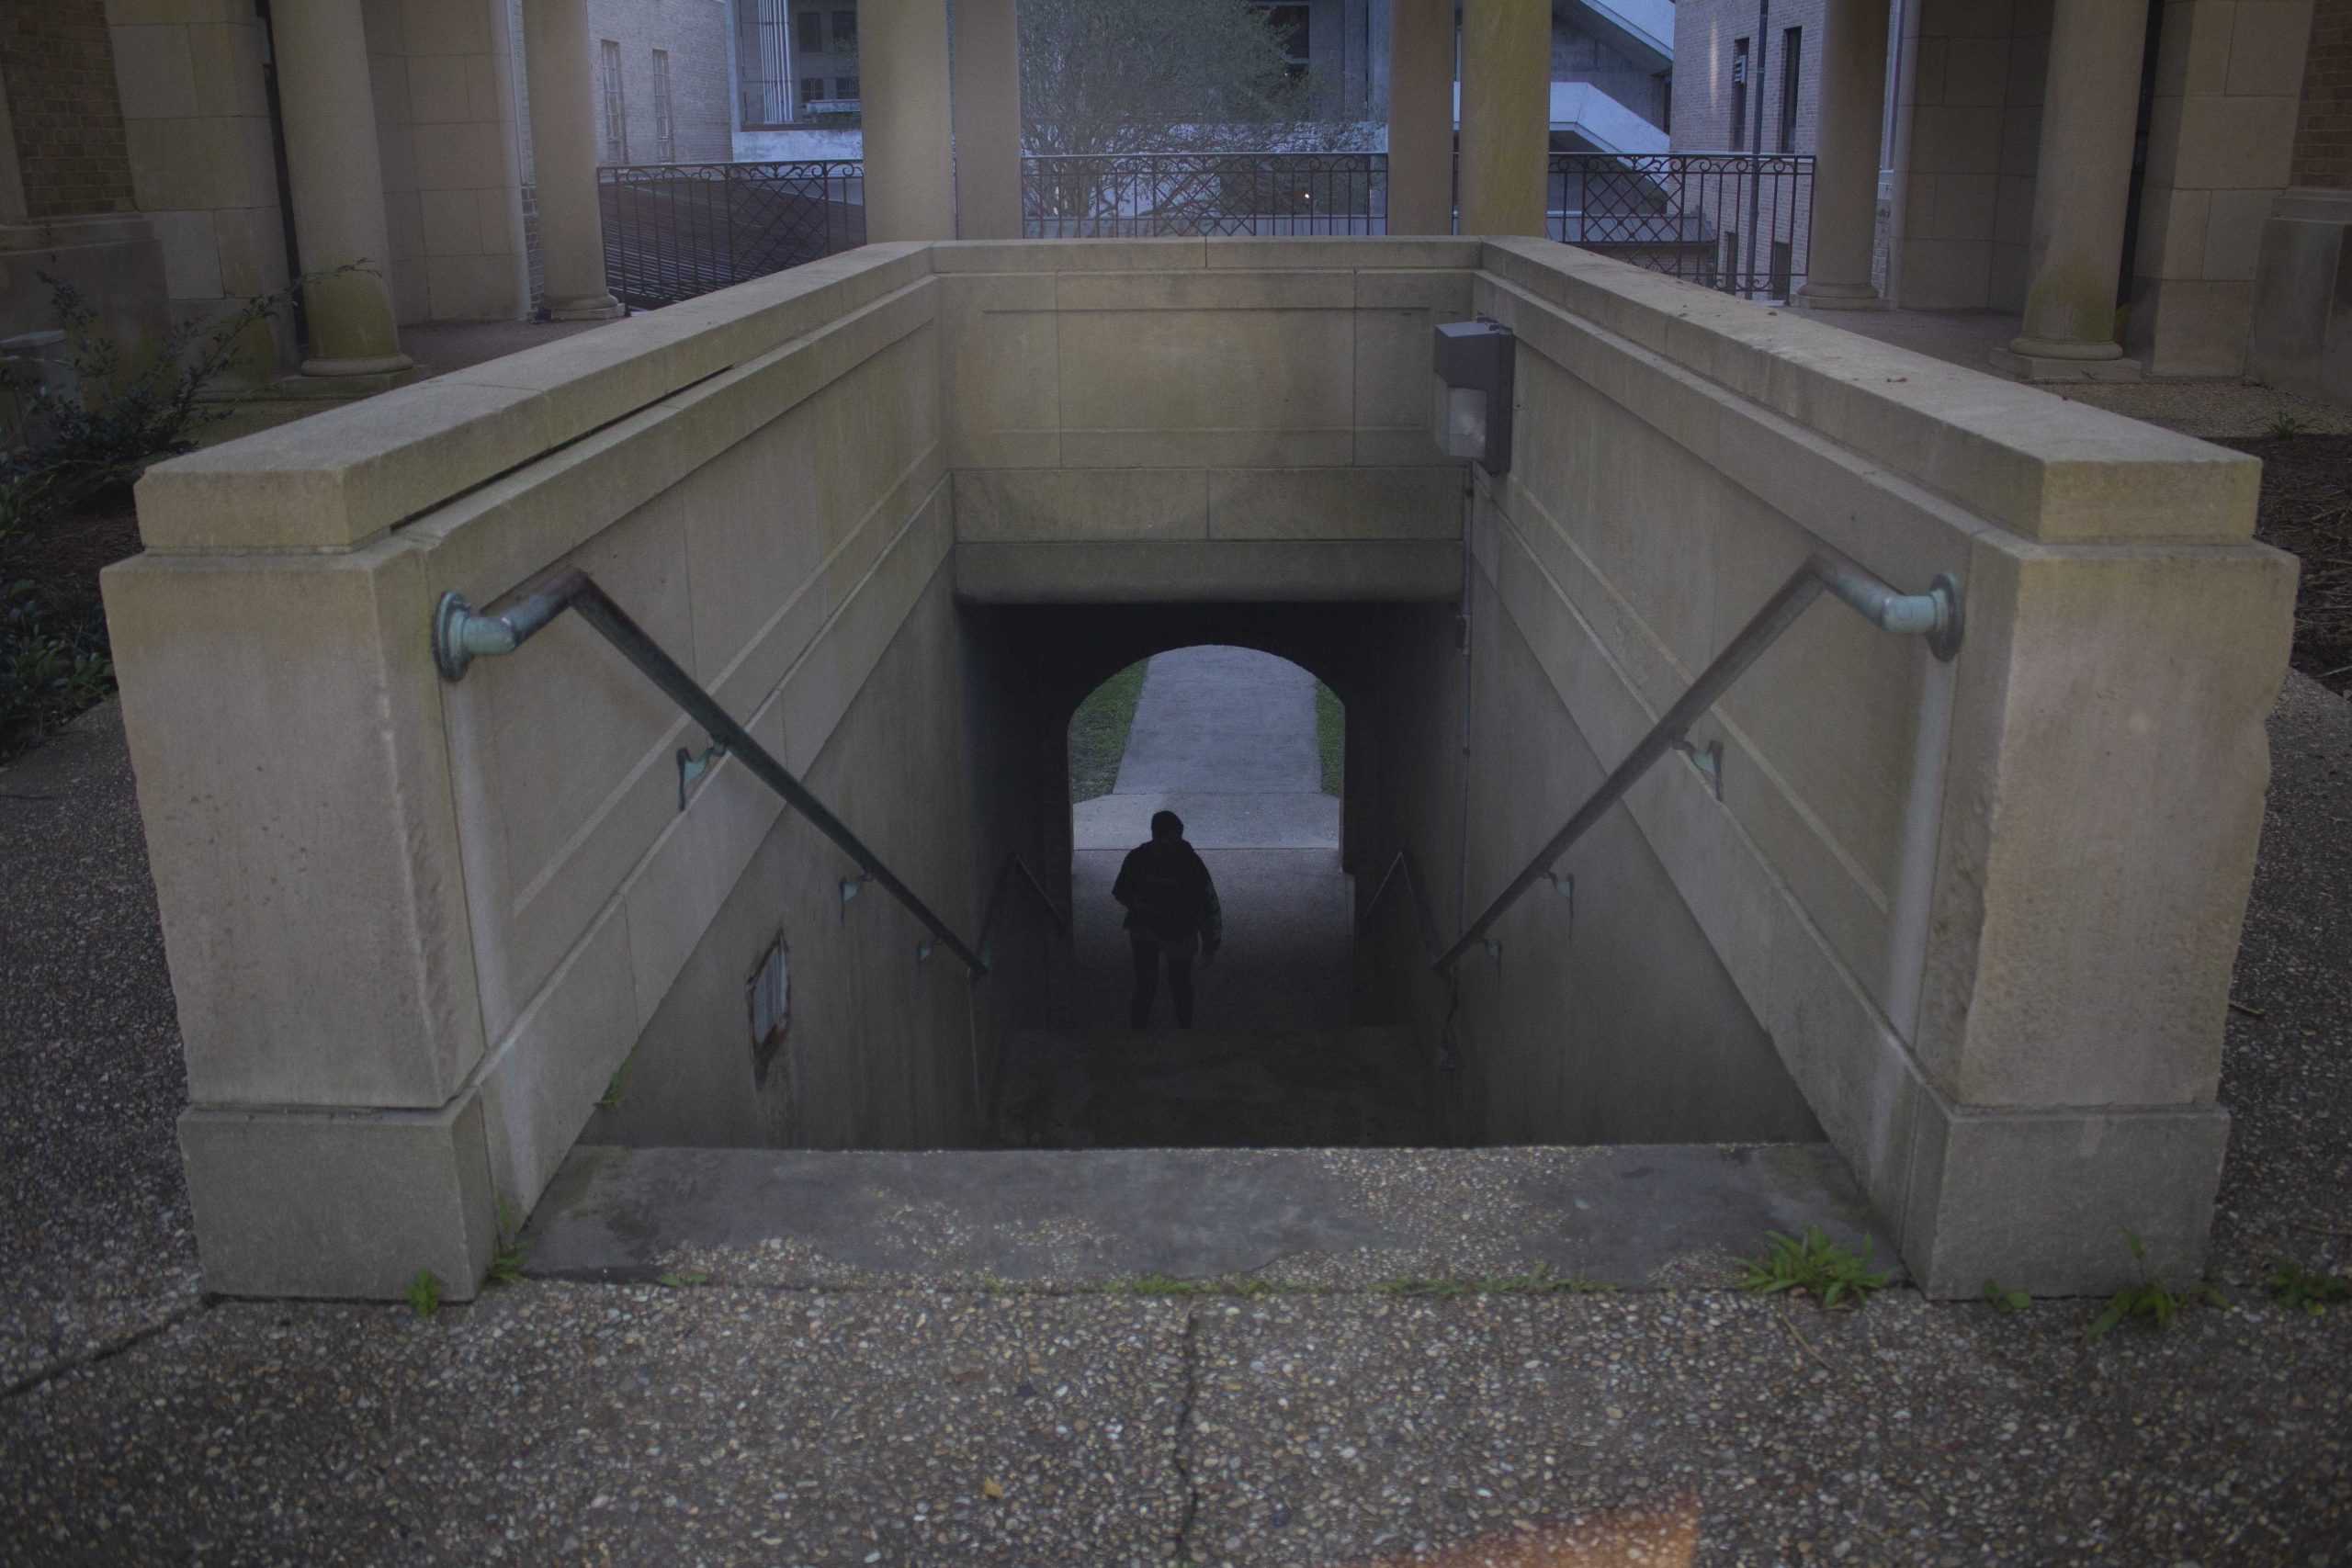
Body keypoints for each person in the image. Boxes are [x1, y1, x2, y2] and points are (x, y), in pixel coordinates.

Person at [1112, 809, 1223, 1029]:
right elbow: (1207, 903)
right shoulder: (1188, 860)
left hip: (1150, 928)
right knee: (1168, 984)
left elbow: (1121, 891)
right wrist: (1210, 943)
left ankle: (1141, 1032)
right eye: (1174, 836)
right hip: (1173, 930)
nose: (1176, 842)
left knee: (1156, 984)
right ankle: (1182, 1030)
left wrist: (1137, 905)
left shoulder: (1139, 858)